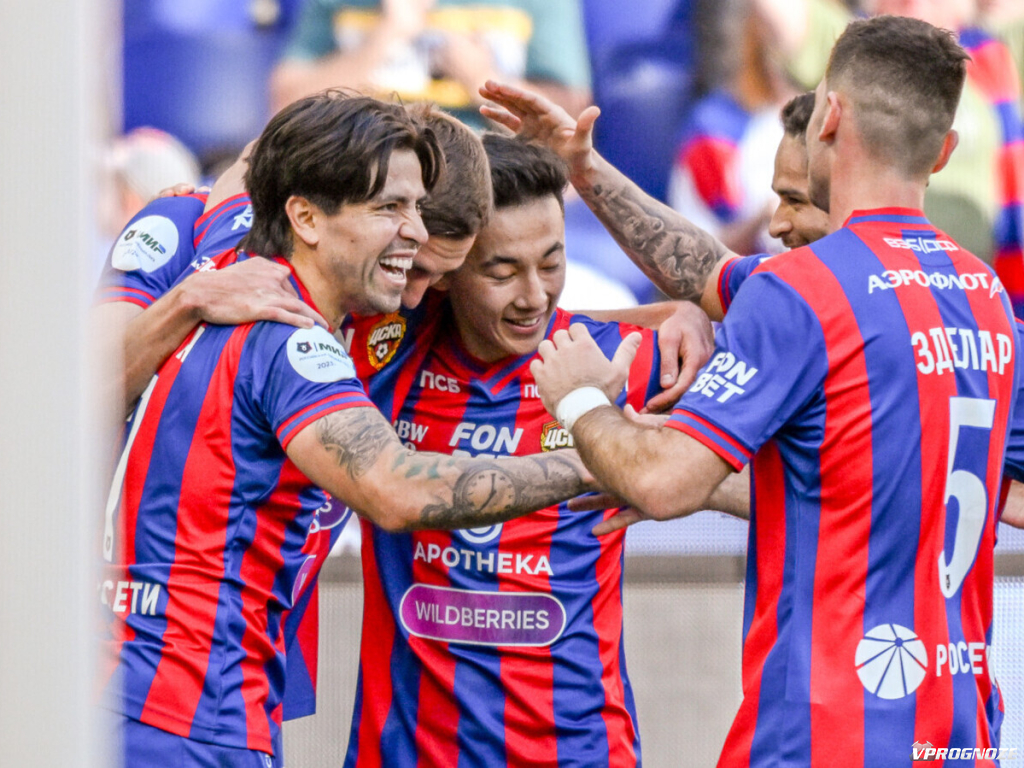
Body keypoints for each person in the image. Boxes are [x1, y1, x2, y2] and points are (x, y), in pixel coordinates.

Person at [506, 16, 1020, 764]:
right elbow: (708, 272)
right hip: (961, 733)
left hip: (820, 733)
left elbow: (663, 484)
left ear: (828, 119)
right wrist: (584, 169)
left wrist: (581, 399)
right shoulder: (987, 298)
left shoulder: (802, 291)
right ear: (943, 152)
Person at [99, 92, 598, 768]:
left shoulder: (228, 248)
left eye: (415, 211)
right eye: (391, 209)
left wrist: (670, 315)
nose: (412, 241)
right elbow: (396, 488)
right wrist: (593, 465)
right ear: (306, 216)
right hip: (190, 707)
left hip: (123, 685)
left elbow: (265, 156)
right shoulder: (291, 334)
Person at [338, 133, 693, 766]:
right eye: (501, 272)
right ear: (445, 269)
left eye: (552, 264)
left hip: (578, 751)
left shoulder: (620, 362)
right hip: (406, 752)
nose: (534, 295)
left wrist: (698, 309)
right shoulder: (380, 351)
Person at [268, 0, 591, 127]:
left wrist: (483, 79)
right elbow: (285, 106)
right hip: (359, 166)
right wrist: (386, 36)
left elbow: (570, 121)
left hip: (491, 170)